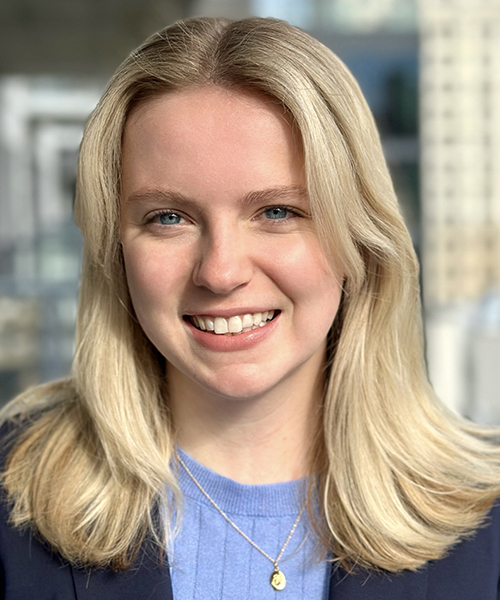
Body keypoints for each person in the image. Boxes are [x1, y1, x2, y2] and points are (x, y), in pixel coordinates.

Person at [1, 16, 500, 600]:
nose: (221, 272)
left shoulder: (487, 524)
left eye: (277, 212)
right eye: (169, 217)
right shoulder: (10, 503)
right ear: (115, 252)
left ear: (359, 239)